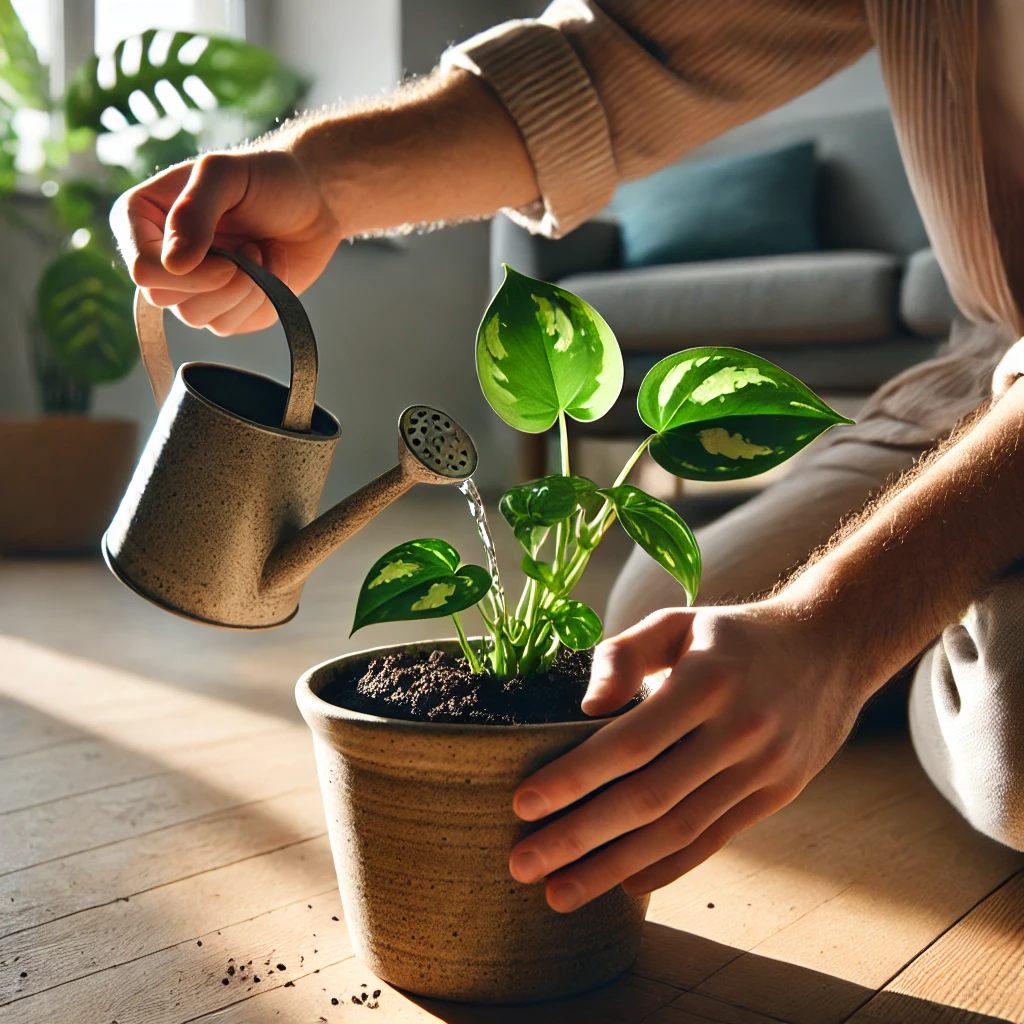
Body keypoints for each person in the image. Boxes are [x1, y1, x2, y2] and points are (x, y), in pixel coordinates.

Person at [112, 0, 1024, 914]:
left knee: (1009, 750)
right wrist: (316, 180)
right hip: (985, 379)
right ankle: (943, 621)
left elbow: (833, 628)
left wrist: (843, 629)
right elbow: (622, 57)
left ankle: (930, 652)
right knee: (666, 619)